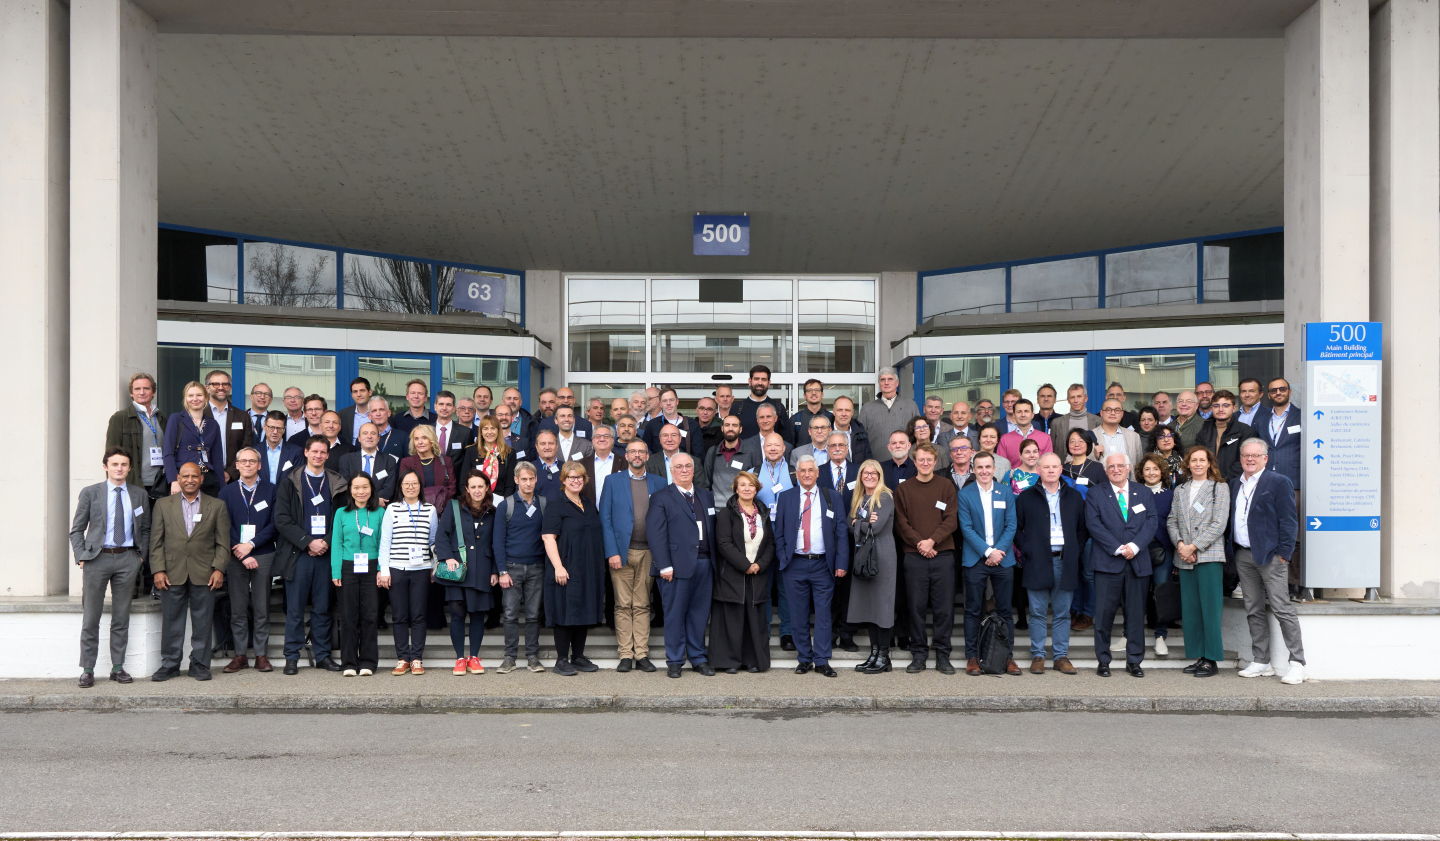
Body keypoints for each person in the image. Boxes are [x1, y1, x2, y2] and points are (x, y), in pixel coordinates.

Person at [70, 447, 151, 687]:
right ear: (105, 467)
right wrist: (81, 556)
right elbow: (77, 530)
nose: (119, 468)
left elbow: (145, 529)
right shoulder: (91, 493)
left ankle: (118, 668)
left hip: (127, 559)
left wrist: (140, 557)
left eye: (124, 464)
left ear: (129, 468)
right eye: (115, 464)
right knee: (91, 616)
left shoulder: (139, 495)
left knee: (121, 616)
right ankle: (87, 669)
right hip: (97, 559)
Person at [1228, 439, 1306, 684]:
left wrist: (1283, 554)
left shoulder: (1279, 481)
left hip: (1271, 556)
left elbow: (1289, 521)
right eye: (1245, 455)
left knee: (1282, 608)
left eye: (1255, 455)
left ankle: (1297, 663)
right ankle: (1261, 661)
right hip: (1243, 555)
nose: (1250, 459)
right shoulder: (1235, 484)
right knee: (1253, 609)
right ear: (1240, 458)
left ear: (1265, 458)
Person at [148, 462, 229, 681]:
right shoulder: (163, 505)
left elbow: (223, 543)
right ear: (178, 478)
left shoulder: (217, 505)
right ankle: (170, 664)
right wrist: (158, 570)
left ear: (201, 479)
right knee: (171, 621)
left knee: (203, 621)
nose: (190, 480)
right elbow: (156, 542)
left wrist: (219, 569)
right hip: (171, 572)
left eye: (194, 476)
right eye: (185, 476)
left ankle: (200, 665)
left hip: (205, 573)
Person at [274, 435, 348, 675]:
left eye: (323, 452)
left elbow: (343, 518)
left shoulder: (338, 483)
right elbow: (281, 520)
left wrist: (325, 542)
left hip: (326, 554)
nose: (318, 455)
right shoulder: (289, 482)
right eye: (314, 451)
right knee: (295, 610)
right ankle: (292, 657)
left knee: (322, 608)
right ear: (306, 452)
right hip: (299, 554)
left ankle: (323, 656)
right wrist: (308, 542)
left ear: (328, 455)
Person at [773, 454, 849, 677]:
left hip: (822, 564)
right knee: (798, 615)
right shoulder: (786, 497)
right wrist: (783, 557)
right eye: (802, 471)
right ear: (797, 474)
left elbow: (842, 532)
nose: (806, 474)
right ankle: (804, 658)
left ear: (817, 473)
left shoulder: (831, 496)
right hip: (794, 564)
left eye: (810, 470)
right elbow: (779, 533)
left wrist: (841, 562)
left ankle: (822, 660)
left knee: (824, 615)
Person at [647, 452, 719, 678]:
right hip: (674, 567)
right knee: (675, 615)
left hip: (705, 563)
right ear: (672, 471)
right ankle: (675, 660)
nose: (684, 470)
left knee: (699, 614)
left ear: (694, 469)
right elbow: (655, 534)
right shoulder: (660, 497)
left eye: (688, 466)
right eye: (679, 467)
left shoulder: (706, 496)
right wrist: (664, 565)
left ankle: (698, 658)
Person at [1085, 451, 1157, 678]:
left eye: (1120, 466)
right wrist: (1117, 548)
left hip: (1138, 562)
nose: (1116, 469)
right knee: (1103, 616)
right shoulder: (1095, 493)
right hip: (1107, 562)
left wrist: (1134, 546)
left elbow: (1152, 521)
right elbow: (1093, 524)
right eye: (1111, 467)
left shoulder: (1143, 492)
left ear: (1128, 468)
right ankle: (1103, 660)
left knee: (1135, 615)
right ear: (1105, 471)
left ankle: (1134, 661)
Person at [1015, 453, 1087, 674]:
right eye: (1046, 467)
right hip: (1036, 561)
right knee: (1037, 612)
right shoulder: (1026, 497)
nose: (1051, 470)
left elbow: (1082, 529)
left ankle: (1060, 656)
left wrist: (1075, 550)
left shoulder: (1074, 497)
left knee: (1063, 612)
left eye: (1055, 466)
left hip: (1065, 561)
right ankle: (1038, 655)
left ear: (1060, 469)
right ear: (1038, 470)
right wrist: (1028, 548)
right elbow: (1016, 528)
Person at [893, 442, 960, 674]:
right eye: (920, 459)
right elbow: (901, 522)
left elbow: (951, 519)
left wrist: (932, 541)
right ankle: (919, 655)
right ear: (914, 461)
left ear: (935, 461)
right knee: (916, 608)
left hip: (943, 555)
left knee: (944, 609)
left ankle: (942, 655)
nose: (925, 463)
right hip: (914, 557)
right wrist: (920, 544)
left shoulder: (946, 485)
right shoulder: (903, 489)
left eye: (929, 460)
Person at [600, 440, 666, 672]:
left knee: (642, 604)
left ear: (647, 456)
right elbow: (605, 518)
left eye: (641, 451)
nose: (637, 455)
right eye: (633, 451)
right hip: (621, 553)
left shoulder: (660, 482)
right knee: (622, 604)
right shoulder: (612, 481)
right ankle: (626, 655)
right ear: (626, 456)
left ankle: (642, 654)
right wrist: (612, 552)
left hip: (649, 552)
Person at [1168, 445, 1230, 678]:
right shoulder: (1180, 490)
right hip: (1184, 557)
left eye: (1202, 460)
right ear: (1188, 464)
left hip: (1208, 555)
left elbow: (1219, 523)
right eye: (1193, 460)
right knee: (1191, 610)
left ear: (1209, 463)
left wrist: (1194, 546)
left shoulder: (1219, 488)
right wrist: (1181, 545)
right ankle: (1198, 656)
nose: (1197, 464)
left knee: (1210, 609)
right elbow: (1172, 521)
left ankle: (1211, 659)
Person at [955, 451, 1019, 675]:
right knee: (973, 610)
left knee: (1005, 611)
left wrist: (998, 552)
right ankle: (972, 657)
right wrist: (988, 552)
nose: (984, 471)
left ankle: (1007, 657)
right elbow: (966, 529)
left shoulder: (1005, 491)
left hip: (1003, 558)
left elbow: (1011, 525)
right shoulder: (965, 494)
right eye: (979, 467)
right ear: (973, 469)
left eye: (988, 467)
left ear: (994, 469)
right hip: (976, 558)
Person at [539, 462, 606, 676]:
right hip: (566, 567)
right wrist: (558, 567)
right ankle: (561, 660)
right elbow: (548, 538)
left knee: (583, 610)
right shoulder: (556, 505)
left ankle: (578, 656)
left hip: (588, 568)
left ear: (584, 480)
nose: (576, 481)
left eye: (579, 477)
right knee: (564, 612)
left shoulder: (588, 503)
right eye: (571, 477)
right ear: (564, 480)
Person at [218, 447, 277, 673]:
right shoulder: (227, 492)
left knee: (262, 607)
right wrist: (241, 552)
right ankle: (240, 655)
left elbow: (274, 524)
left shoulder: (271, 490)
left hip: (263, 554)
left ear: (259, 465)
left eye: (252, 461)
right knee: (238, 608)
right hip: (236, 556)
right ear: (237, 465)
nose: (248, 465)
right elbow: (224, 525)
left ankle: (261, 655)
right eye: (243, 461)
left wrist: (251, 545)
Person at [437, 470, 500, 676]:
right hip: (457, 569)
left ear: (487, 488)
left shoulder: (493, 512)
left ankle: (474, 657)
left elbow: (497, 543)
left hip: (482, 570)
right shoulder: (454, 506)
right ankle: (459, 659)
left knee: (478, 615)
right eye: (473, 487)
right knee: (457, 614)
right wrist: (447, 557)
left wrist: (495, 570)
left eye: (481, 486)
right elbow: (442, 535)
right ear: (467, 489)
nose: (477, 490)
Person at [712, 471, 775, 673]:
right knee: (732, 619)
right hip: (732, 574)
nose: (747, 488)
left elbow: (770, 543)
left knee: (753, 620)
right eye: (743, 485)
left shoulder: (763, 513)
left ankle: (752, 660)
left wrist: (760, 565)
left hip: (757, 574)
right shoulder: (726, 513)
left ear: (756, 489)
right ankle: (729, 661)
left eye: (751, 485)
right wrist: (745, 564)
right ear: (736, 489)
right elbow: (723, 543)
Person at [380, 468, 439, 675]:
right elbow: (385, 541)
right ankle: (403, 658)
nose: (411, 487)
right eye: (407, 484)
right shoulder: (392, 509)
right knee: (399, 616)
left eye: (414, 483)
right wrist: (384, 570)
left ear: (420, 486)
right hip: (396, 568)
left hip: (421, 569)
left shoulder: (430, 510)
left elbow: (433, 542)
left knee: (419, 615)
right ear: (401, 487)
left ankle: (416, 659)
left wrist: (434, 567)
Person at [492, 461, 547, 673]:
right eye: (524, 479)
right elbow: (498, 541)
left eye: (531, 479)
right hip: (511, 568)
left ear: (536, 479)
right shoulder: (506, 505)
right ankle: (510, 658)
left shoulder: (544, 504)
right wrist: (502, 571)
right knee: (510, 615)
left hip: (536, 567)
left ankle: (533, 657)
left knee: (533, 615)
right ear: (516, 480)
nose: (528, 483)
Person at [846, 459, 897, 674]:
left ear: (879, 476)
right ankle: (874, 653)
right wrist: (862, 522)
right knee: (869, 606)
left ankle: (884, 656)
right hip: (864, 556)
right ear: (860, 476)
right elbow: (848, 524)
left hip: (882, 556)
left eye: (873, 473)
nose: (869, 476)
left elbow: (875, 528)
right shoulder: (860, 497)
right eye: (865, 473)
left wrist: (858, 521)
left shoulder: (884, 496)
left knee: (882, 606)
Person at [330, 472, 383, 676]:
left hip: (372, 567)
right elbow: (337, 543)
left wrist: (381, 569)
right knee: (348, 616)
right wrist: (336, 570)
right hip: (348, 567)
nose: (361, 491)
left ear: (371, 489)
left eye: (365, 487)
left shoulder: (380, 512)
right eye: (356, 487)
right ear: (350, 490)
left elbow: (384, 543)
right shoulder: (341, 513)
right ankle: (349, 663)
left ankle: (368, 662)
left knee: (370, 615)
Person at [1137, 453, 1176, 657]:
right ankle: (1129, 635)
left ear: (1162, 472)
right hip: (1138, 551)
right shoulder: (1133, 493)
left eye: (1155, 469)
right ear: (1141, 473)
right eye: (1147, 469)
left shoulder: (1171, 495)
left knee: (1161, 594)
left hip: (1164, 550)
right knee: (1136, 594)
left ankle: (1160, 637)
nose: (1151, 473)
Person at [105, 372, 166, 496]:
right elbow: (111, 455)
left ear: (153, 392)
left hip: (160, 483)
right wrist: (115, 486)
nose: (142, 392)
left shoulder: (161, 418)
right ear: (131, 393)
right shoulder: (120, 418)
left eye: (146, 388)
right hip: (133, 484)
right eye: (137, 389)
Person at [163, 381, 225, 496]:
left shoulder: (213, 424)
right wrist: (174, 481)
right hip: (184, 478)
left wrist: (222, 487)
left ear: (206, 397)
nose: (195, 399)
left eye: (199, 395)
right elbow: (168, 453)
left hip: (208, 478)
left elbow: (217, 458)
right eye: (190, 395)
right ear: (185, 399)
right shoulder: (176, 419)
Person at [204, 369, 254, 483]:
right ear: (207, 388)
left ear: (230, 387)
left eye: (225, 384)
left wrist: (230, 473)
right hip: (204, 477)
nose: (221, 387)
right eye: (215, 384)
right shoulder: (198, 415)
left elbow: (246, 448)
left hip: (233, 478)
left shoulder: (243, 416)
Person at [1195, 389, 1258, 480]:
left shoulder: (1245, 431)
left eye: (1226, 405)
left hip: (1235, 482)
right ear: (1212, 408)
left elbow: (1246, 461)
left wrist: (1222, 479)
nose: (1220, 409)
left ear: (1234, 408)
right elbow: (1199, 457)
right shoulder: (1204, 430)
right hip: (1207, 481)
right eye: (1216, 405)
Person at [1255, 377, 1303, 491]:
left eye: (1282, 389)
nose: (1278, 393)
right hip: (1265, 479)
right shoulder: (1261, 418)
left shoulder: (1302, 416)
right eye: (1274, 390)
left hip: (1293, 479)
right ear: (1269, 395)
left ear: (1289, 392)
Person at [704, 414, 761, 506]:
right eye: (727, 425)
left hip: (742, 508)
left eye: (734, 425)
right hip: (717, 508)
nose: (730, 428)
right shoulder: (712, 452)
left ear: (740, 429)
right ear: (722, 428)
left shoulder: (751, 452)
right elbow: (706, 483)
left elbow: (756, 482)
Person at [857, 367, 917, 452]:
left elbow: (918, 435)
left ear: (897, 383)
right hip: (876, 459)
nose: (886, 383)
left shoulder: (910, 406)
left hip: (905, 458)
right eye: (882, 380)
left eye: (890, 379)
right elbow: (860, 438)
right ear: (879, 384)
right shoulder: (867, 408)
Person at [340, 422, 399, 506]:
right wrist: (369, 501)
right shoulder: (346, 459)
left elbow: (389, 488)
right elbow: (345, 486)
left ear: (378, 438)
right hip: (353, 507)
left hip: (379, 508)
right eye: (365, 433)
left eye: (373, 433)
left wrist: (371, 502)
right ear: (359, 438)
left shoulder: (389, 460)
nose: (369, 436)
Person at [459, 415, 516, 500]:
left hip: (500, 502)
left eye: (493, 428)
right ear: (481, 432)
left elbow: (510, 485)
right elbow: (463, 482)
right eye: (485, 429)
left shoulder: (509, 453)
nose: (489, 432)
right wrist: (471, 501)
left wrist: (504, 503)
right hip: (474, 501)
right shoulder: (471, 451)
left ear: (498, 431)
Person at [398, 424, 456, 508]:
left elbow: (451, 488)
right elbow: (405, 488)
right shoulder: (406, 463)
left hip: (442, 509)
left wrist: (439, 505)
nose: (420, 442)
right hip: (416, 508)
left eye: (424, 438)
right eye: (416, 439)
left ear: (431, 440)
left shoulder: (446, 461)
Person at [642, 387, 704, 460]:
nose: (668, 403)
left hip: (684, 466)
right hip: (658, 467)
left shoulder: (692, 425)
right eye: (665, 401)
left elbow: (698, 456)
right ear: (660, 404)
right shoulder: (652, 425)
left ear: (677, 401)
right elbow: (646, 452)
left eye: (671, 400)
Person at [735, 365, 790, 441]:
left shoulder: (778, 408)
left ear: (769, 383)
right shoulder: (737, 408)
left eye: (764, 379)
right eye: (756, 379)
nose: (760, 383)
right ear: (750, 381)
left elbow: (787, 439)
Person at [432, 390, 475, 481]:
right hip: (430, 484)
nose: (444, 408)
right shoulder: (426, 431)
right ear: (435, 407)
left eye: (448, 405)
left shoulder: (465, 433)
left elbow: (468, 464)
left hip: (456, 484)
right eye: (441, 404)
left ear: (454, 408)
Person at [997, 399, 1054, 465]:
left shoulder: (1045, 438)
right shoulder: (1004, 439)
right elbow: (1001, 466)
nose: (1023, 415)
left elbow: (1048, 464)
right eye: (1019, 412)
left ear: (1032, 415)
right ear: (1014, 415)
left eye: (1026, 411)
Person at [1049, 383, 1099, 455]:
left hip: (1090, 462)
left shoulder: (1098, 421)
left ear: (1086, 398)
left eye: (1079, 396)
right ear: (1068, 400)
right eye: (1072, 397)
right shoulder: (1057, 423)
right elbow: (1051, 450)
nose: (1076, 400)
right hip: (1064, 462)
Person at [1094, 399, 1144, 467]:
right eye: (1108, 410)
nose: (1113, 413)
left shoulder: (1134, 437)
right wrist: (1094, 456)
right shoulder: (1090, 436)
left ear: (1122, 414)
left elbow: (1139, 466)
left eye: (1117, 410)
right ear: (1101, 413)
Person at [258, 411, 302, 488]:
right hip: (260, 493)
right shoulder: (254, 451)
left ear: (284, 429)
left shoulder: (296, 452)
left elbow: (298, 480)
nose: (275, 432)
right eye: (271, 427)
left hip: (286, 494)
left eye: (279, 428)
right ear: (264, 427)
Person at [584, 424, 620, 505]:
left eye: (606, 436)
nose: (602, 439)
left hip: (616, 511)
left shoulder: (624, 463)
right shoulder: (582, 464)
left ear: (612, 440)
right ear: (593, 440)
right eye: (598, 436)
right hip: (588, 511)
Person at [789, 378, 833, 445]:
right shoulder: (795, 419)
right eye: (809, 390)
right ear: (804, 396)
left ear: (822, 395)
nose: (813, 393)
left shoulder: (831, 418)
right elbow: (790, 445)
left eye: (817, 390)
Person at [831, 395, 872, 464]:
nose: (844, 414)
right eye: (840, 410)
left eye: (847, 410)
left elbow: (868, 464)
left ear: (852, 413)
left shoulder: (861, 435)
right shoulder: (824, 433)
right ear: (834, 412)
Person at [532, 430, 567, 499]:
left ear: (557, 446)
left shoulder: (566, 468)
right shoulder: (529, 469)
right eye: (543, 444)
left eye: (551, 443)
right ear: (536, 447)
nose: (547, 447)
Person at [338, 377, 374, 445]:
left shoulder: (379, 414)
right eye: (355, 392)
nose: (359, 395)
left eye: (362, 390)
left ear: (370, 392)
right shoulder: (342, 415)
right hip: (350, 451)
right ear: (352, 395)